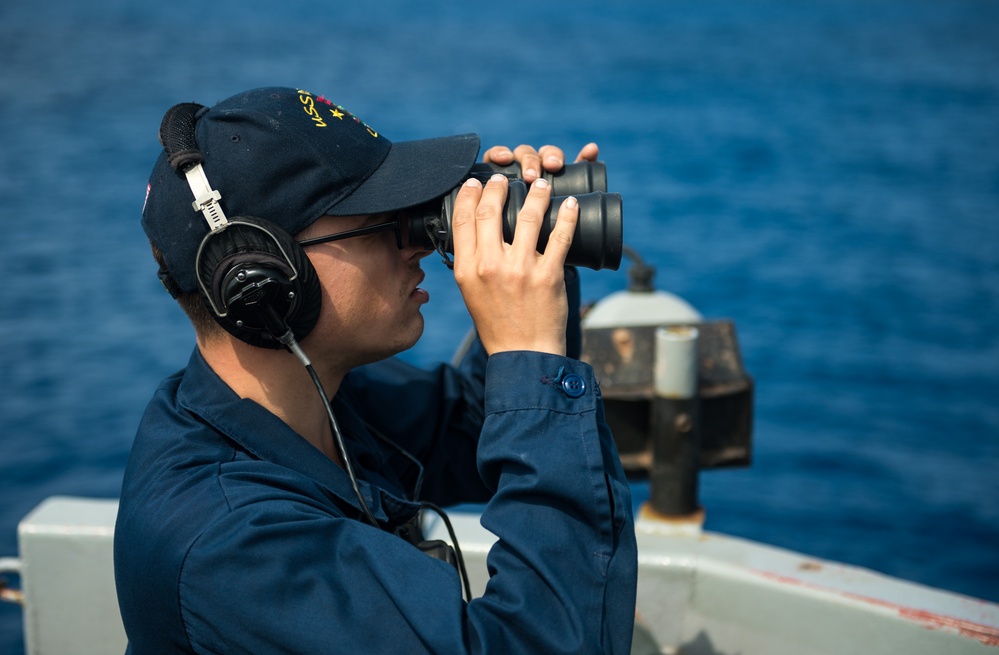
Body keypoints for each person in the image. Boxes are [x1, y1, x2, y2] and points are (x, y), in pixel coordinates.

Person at [114, 86, 637, 654]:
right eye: (382, 223)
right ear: (263, 277)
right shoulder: (232, 545)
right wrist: (530, 354)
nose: (413, 246)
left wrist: (536, 250)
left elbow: (471, 426)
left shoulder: (320, 398)